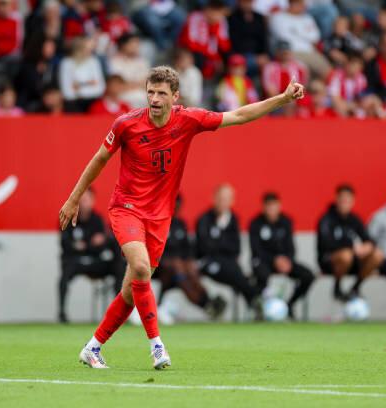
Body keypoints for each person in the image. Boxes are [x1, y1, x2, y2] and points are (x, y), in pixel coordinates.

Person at [58, 65, 304, 369]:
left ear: (175, 96)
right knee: (140, 267)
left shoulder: (188, 120)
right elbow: (99, 159)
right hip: (127, 208)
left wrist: (280, 99)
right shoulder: (126, 124)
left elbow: (238, 115)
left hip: (160, 217)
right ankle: (157, 346)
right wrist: (74, 199)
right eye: (150, 91)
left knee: (131, 291)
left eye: (162, 93)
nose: (155, 98)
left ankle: (93, 347)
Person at [153, 195, 227, 320]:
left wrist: (189, 262)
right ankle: (206, 303)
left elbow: (188, 248)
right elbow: (154, 250)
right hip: (160, 268)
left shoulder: (180, 224)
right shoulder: (157, 223)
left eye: (178, 205)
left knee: (187, 273)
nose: (176, 208)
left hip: (180, 272)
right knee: (178, 267)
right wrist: (176, 262)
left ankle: (207, 302)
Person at [59, 188, 125, 324]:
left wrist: (96, 243)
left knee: (119, 266)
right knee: (64, 276)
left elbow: (102, 244)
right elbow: (66, 244)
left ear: (92, 201)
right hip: (75, 262)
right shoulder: (69, 218)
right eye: (81, 200)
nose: (84, 203)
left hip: (96, 261)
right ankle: (62, 313)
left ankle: (119, 313)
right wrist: (89, 244)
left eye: (87, 200)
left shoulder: (97, 220)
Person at [196, 184, 260, 316]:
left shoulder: (234, 219)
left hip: (229, 264)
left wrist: (218, 242)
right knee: (237, 274)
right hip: (208, 263)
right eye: (221, 198)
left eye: (227, 199)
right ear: (214, 199)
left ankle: (252, 302)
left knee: (235, 271)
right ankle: (255, 298)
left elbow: (235, 247)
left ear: (232, 201)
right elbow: (205, 247)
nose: (223, 202)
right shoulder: (204, 219)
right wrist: (221, 237)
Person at [249, 192, 314, 320]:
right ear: (264, 207)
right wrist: (274, 260)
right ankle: (260, 309)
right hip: (264, 261)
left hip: (284, 262)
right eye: (268, 206)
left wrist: (287, 260)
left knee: (308, 275)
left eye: (274, 206)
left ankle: (289, 305)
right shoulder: (256, 224)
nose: (271, 209)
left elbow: (291, 247)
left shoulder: (286, 222)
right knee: (261, 275)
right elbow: (256, 250)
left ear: (279, 206)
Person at [317, 184, 384, 301]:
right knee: (346, 255)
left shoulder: (355, 219)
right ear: (337, 199)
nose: (345, 203)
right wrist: (352, 247)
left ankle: (355, 287)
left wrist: (368, 245)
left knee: (378, 255)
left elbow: (367, 238)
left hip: (353, 260)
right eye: (343, 199)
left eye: (348, 200)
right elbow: (326, 244)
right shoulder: (326, 219)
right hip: (330, 261)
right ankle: (337, 288)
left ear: (353, 201)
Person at [269, 0, 331, 79]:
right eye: (300, 4)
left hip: (310, 52)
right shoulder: (278, 17)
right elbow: (283, 37)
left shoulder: (307, 18)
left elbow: (315, 37)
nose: (304, 7)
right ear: (292, 3)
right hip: (290, 52)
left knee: (329, 71)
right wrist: (306, 34)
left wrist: (295, 32)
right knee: (301, 71)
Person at [178, 0, 231, 79]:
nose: (216, 15)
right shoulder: (195, 17)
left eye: (219, 12)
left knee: (229, 57)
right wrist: (213, 58)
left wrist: (214, 29)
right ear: (207, 10)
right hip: (188, 50)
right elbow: (191, 43)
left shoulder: (222, 21)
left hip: (208, 52)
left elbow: (225, 45)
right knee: (199, 57)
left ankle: (226, 83)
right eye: (214, 11)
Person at [58, 36, 105, 113]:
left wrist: (79, 87)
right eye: (88, 47)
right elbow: (67, 91)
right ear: (79, 48)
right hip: (74, 102)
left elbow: (100, 88)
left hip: (93, 100)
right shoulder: (66, 63)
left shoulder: (94, 61)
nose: (91, 49)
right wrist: (89, 84)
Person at [228, 0, 270, 78]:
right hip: (240, 53)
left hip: (258, 54)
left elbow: (263, 38)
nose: (247, 4)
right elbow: (234, 41)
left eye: (249, 2)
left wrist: (264, 54)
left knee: (269, 64)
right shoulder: (232, 18)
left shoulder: (259, 17)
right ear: (239, 3)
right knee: (243, 62)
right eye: (244, 2)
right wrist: (254, 59)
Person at [108, 33, 150, 109]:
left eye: (137, 44)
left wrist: (130, 84)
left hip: (143, 96)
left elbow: (148, 84)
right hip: (122, 97)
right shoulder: (114, 62)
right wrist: (138, 84)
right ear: (123, 45)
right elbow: (116, 86)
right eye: (133, 44)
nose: (136, 47)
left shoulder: (143, 62)